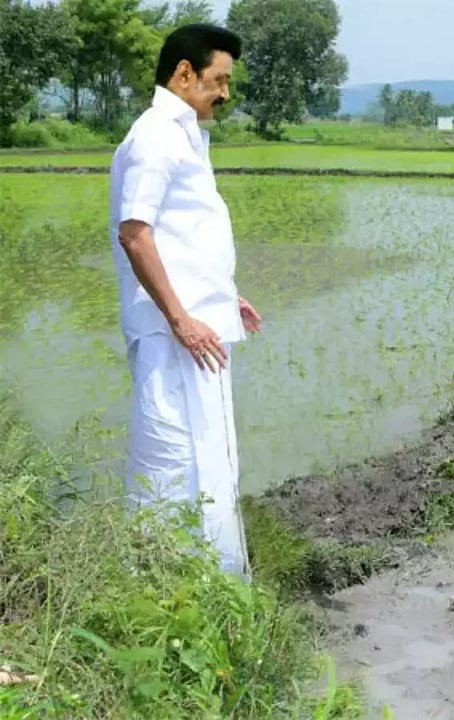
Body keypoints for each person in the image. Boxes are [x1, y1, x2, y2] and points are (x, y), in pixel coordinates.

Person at [110, 24, 260, 578]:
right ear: (184, 74)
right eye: (219, 80)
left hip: (196, 328)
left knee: (209, 461)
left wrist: (224, 298)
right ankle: (160, 586)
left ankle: (210, 583)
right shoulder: (155, 136)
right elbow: (135, 232)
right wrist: (181, 318)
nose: (225, 92)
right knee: (173, 462)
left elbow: (182, 237)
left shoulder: (185, 135)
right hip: (173, 336)